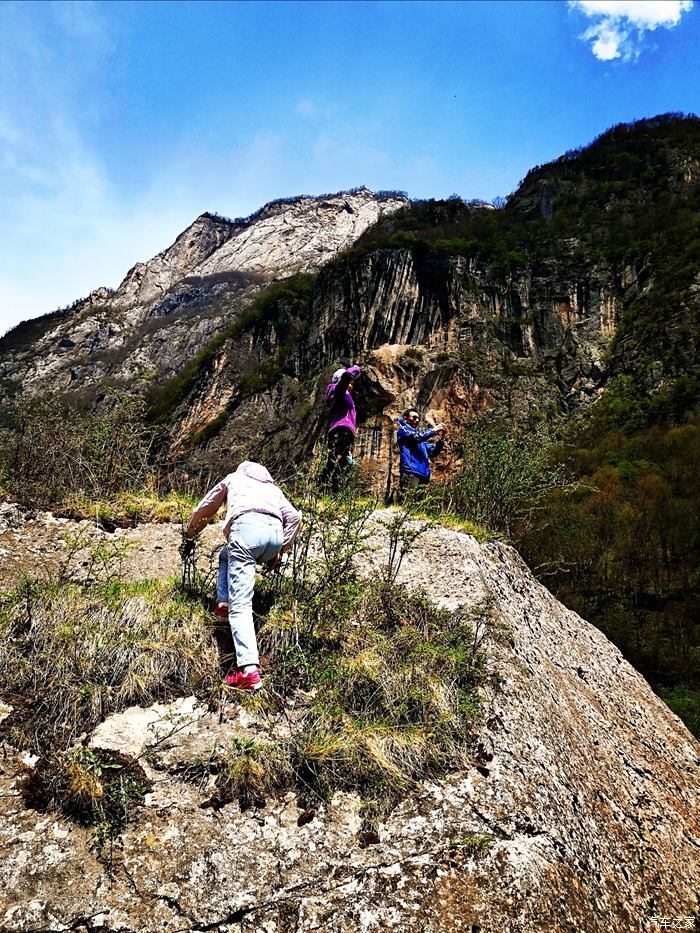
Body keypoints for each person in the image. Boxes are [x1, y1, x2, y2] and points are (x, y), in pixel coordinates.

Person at [182, 460, 301, 691]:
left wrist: (190, 533)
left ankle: (249, 671)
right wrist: (279, 551)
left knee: (242, 605)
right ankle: (223, 602)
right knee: (226, 556)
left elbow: (206, 507)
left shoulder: (234, 478)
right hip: (274, 536)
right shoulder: (273, 489)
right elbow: (295, 517)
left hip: (246, 530)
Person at [322, 363, 361, 492]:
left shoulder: (343, 395)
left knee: (343, 463)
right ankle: (322, 489)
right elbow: (346, 375)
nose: (352, 384)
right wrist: (356, 368)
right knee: (334, 460)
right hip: (341, 429)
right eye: (350, 382)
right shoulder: (339, 391)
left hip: (345, 432)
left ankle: (333, 492)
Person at [396, 408, 447, 500]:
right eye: (414, 418)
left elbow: (433, 452)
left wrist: (441, 438)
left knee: (418, 508)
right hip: (411, 472)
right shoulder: (403, 430)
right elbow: (416, 437)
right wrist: (434, 429)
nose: (417, 420)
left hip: (423, 474)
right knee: (407, 503)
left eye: (418, 418)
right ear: (405, 419)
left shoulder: (421, 439)